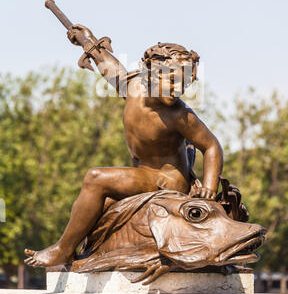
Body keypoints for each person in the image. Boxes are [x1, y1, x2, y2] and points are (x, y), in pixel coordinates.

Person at [24, 25, 223, 268]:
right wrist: (87, 40)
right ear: (150, 74)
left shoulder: (179, 115)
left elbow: (211, 146)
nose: (177, 89)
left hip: (167, 180)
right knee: (93, 206)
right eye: (171, 81)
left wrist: (210, 188)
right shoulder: (133, 88)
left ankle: (62, 250)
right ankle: (82, 255)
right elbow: (109, 66)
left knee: (96, 178)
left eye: (184, 84)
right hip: (144, 174)